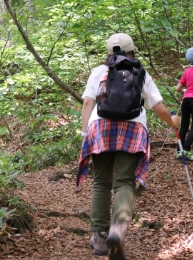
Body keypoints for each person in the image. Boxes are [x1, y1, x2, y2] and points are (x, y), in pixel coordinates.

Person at [77, 33, 179, 260]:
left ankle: (100, 237)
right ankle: (118, 230)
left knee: (102, 182)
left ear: (109, 51)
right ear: (132, 50)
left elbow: (87, 102)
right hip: (133, 130)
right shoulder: (140, 73)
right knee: (124, 182)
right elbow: (159, 108)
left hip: (99, 127)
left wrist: (85, 134)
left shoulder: (98, 72)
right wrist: (173, 122)